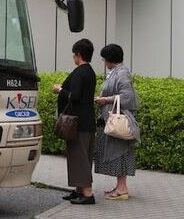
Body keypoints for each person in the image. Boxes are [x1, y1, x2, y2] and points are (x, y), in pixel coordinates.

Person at [52, 38, 97, 205]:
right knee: (82, 156)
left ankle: (87, 194)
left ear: (78, 54)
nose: (73, 57)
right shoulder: (90, 71)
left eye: (74, 54)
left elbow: (75, 96)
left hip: (78, 122)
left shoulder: (80, 72)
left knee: (80, 157)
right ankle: (79, 190)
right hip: (87, 121)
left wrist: (60, 90)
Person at [94, 43, 140, 200]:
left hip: (117, 120)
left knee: (120, 153)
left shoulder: (122, 73)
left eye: (104, 59)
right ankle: (120, 187)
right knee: (117, 152)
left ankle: (122, 189)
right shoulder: (117, 72)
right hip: (112, 118)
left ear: (110, 59)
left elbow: (128, 97)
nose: (104, 62)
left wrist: (105, 100)